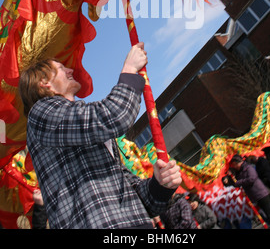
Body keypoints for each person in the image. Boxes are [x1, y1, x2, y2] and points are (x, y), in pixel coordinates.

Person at [18, 43, 182, 229]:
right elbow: (114, 115)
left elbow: (134, 199)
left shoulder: (87, 123)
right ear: (44, 82)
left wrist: (160, 186)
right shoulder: (41, 113)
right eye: (61, 68)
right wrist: (129, 71)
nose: (70, 70)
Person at [229, 154, 270, 229]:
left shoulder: (248, 168)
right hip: (254, 196)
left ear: (239, 162)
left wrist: (239, 182)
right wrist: (232, 176)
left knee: (269, 214)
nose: (235, 166)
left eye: (235, 164)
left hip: (260, 193)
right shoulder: (238, 173)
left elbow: (252, 178)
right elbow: (236, 183)